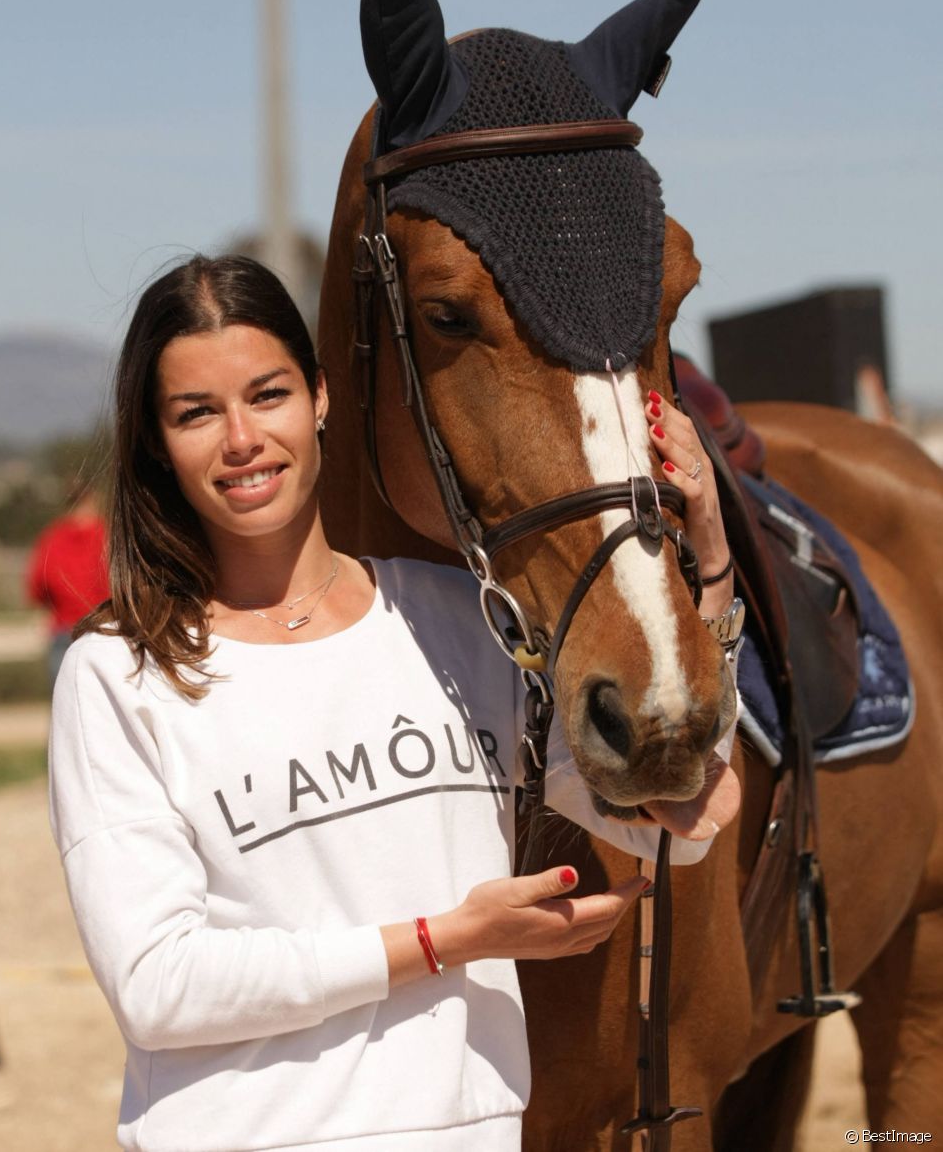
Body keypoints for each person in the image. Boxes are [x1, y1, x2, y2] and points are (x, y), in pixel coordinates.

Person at [48, 255, 738, 1152]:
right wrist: (445, 938)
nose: (242, 439)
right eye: (195, 413)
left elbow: (678, 817)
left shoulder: (459, 619)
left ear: (322, 397)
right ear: (154, 440)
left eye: (267, 395)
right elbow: (159, 986)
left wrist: (710, 558)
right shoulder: (117, 674)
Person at [26, 479, 109, 684]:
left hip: (63, 628)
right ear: (93, 499)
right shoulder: (108, 535)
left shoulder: (52, 537)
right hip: (105, 627)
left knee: (62, 704)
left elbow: (38, 584)